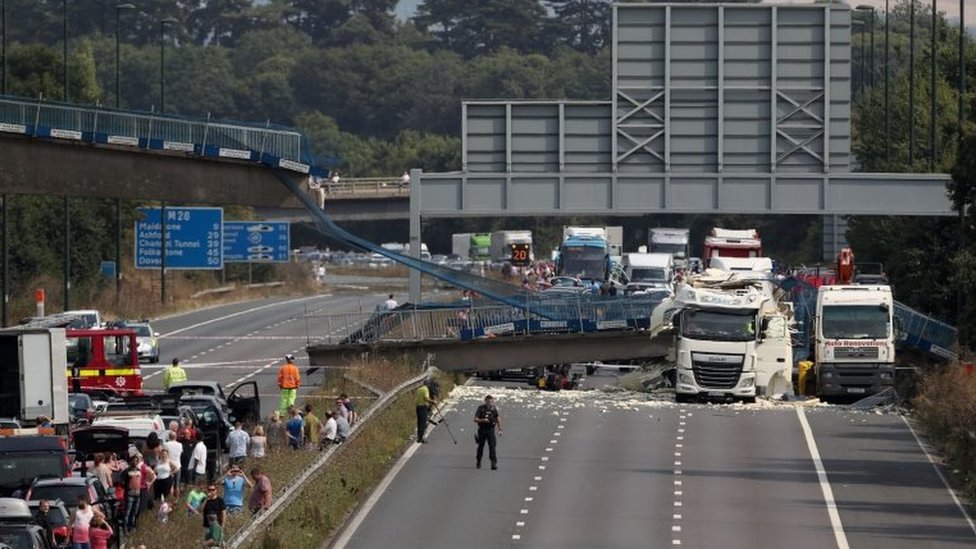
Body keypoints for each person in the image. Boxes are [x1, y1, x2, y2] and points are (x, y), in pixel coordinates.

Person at [474, 394, 503, 470]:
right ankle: (478, 461)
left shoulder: (493, 409)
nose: (489, 404)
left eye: (491, 402)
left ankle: (493, 463)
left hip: (490, 430)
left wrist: (500, 429)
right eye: (488, 402)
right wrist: (483, 420)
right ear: (485, 401)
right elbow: (475, 419)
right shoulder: (481, 408)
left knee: (492, 446)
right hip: (482, 429)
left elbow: (498, 418)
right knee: (481, 446)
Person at [123, 455, 142, 531]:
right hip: (129, 494)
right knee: (127, 512)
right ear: (131, 461)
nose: (135, 462)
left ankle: (132, 527)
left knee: (134, 512)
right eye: (134, 460)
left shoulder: (139, 470)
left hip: (138, 494)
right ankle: (125, 527)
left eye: (137, 460)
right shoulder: (127, 471)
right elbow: (122, 481)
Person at [163, 429, 184, 497]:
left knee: (171, 485)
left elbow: (164, 454)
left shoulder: (166, 444)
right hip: (178, 465)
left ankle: (170, 499)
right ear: (176, 437)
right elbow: (181, 453)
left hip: (169, 465)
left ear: (169, 437)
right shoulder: (180, 445)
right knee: (177, 485)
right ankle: (176, 500)